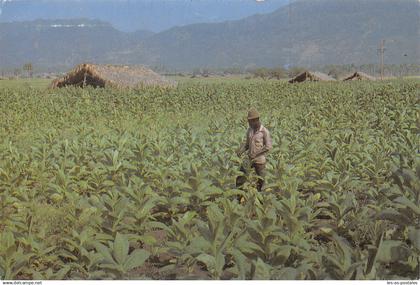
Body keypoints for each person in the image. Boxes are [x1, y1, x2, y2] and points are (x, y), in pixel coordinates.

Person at [236, 108, 272, 192]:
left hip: (259, 161)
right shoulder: (249, 130)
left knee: (262, 182)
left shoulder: (264, 131)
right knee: (240, 178)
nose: (249, 123)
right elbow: (247, 145)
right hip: (249, 159)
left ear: (256, 120)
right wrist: (241, 151)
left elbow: (268, 147)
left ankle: (260, 201)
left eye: (250, 121)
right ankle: (239, 197)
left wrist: (255, 154)